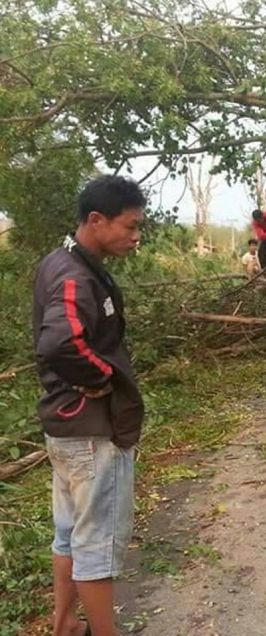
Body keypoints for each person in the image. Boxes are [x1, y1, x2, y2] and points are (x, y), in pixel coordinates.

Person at [33, 175, 146, 636]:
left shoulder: (59, 263)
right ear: (96, 221)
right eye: (130, 226)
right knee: (96, 546)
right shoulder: (77, 276)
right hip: (92, 435)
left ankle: (65, 624)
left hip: (64, 432)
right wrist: (100, 380)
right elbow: (60, 342)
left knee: (70, 537)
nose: (136, 235)